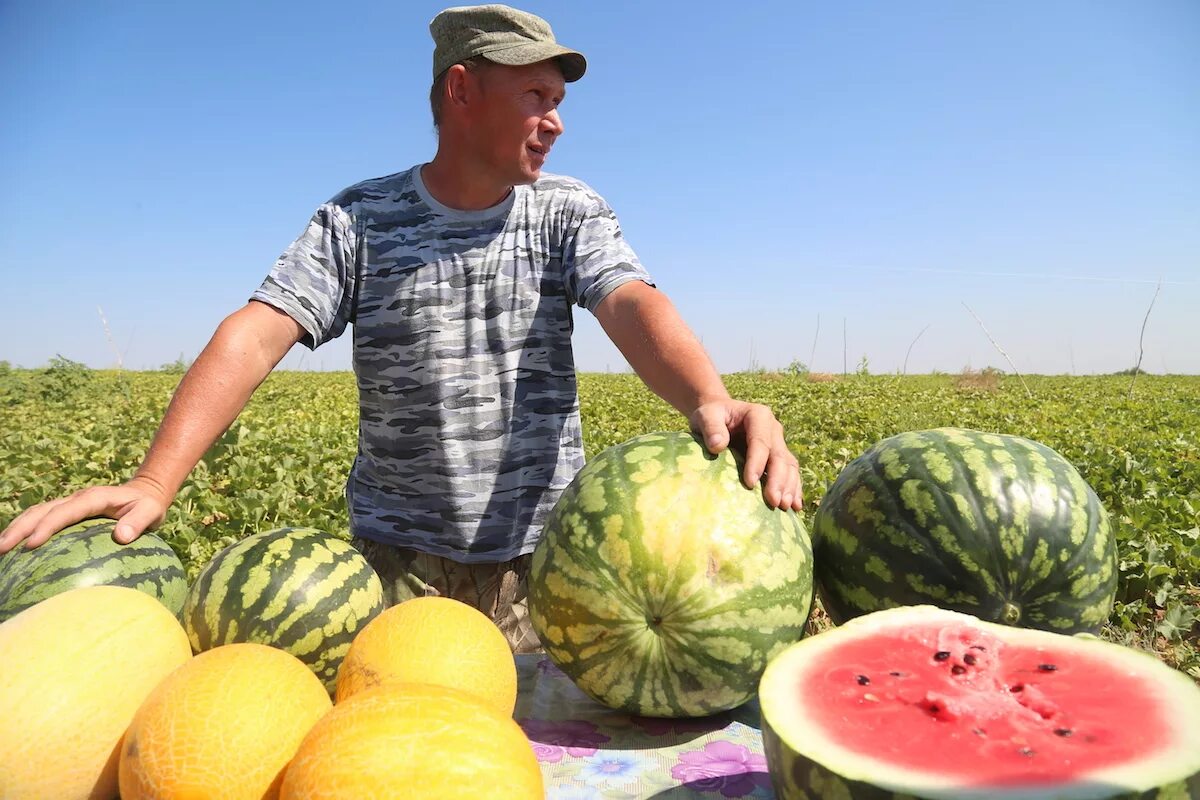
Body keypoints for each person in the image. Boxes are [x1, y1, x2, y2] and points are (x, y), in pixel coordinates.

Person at [0, 4, 802, 652]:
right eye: (534, 97)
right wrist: (152, 482)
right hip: (395, 571)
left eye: (557, 104)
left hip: (546, 567)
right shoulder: (360, 220)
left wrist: (708, 396)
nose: (554, 122)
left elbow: (631, 301)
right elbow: (255, 332)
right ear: (461, 90)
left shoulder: (567, 210)